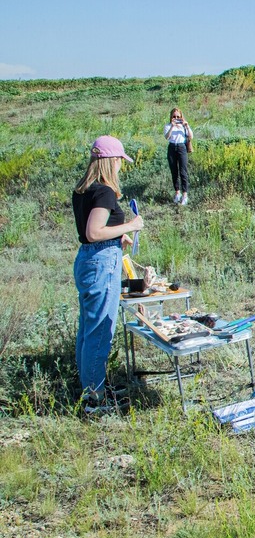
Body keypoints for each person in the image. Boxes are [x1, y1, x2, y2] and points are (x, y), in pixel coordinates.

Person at [72, 136, 144, 410]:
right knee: (101, 330)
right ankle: (94, 398)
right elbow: (94, 232)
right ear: (111, 161)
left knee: (88, 329)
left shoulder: (84, 189)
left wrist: (117, 238)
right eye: (119, 162)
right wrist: (130, 226)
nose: (120, 168)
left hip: (90, 259)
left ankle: (91, 387)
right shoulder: (104, 192)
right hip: (102, 263)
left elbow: (93, 232)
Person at [163, 107, 193, 206]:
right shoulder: (168, 126)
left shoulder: (184, 126)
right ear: (171, 117)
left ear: (181, 117)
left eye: (178, 117)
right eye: (174, 116)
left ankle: (185, 195)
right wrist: (172, 126)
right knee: (174, 171)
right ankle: (177, 192)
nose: (176, 118)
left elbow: (191, 136)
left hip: (181, 147)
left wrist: (186, 126)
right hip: (172, 147)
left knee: (183, 172)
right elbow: (167, 137)